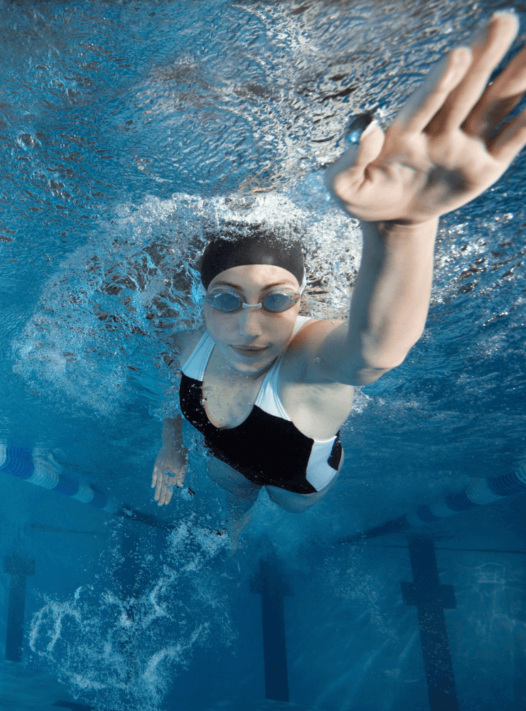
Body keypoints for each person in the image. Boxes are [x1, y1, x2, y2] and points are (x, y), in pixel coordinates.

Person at [151, 12, 526, 544]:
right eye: (228, 301)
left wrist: (404, 226)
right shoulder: (188, 342)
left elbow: (374, 351)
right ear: (205, 302)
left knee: (289, 506)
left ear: (302, 302)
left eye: (278, 301)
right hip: (226, 464)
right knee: (232, 491)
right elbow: (173, 391)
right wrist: (172, 443)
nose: (251, 329)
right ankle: (235, 526)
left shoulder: (310, 367)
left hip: (298, 481)